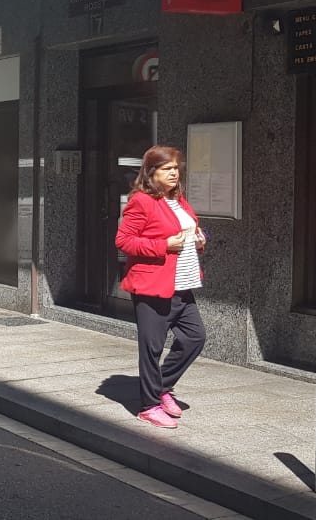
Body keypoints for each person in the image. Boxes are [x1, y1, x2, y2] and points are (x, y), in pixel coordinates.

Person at [115, 145, 207, 429]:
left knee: (195, 338)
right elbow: (123, 241)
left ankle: (162, 387)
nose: (174, 174)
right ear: (151, 172)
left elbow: (188, 229)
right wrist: (162, 245)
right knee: (152, 348)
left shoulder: (178, 199)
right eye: (167, 169)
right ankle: (149, 405)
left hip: (182, 285)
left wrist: (199, 239)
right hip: (152, 287)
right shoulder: (141, 201)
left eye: (176, 169)